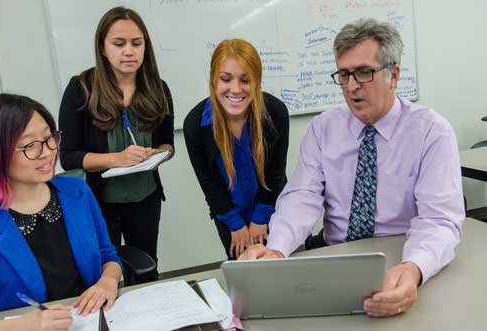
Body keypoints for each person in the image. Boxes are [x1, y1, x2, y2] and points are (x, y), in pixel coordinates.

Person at [240, 18, 464, 317]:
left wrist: (414, 268)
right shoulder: (324, 128)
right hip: (337, 256)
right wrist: (277, 250)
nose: (352, 86)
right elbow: (302, 197)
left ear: (393, 75)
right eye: (344, 74)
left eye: (364, 72)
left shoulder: (431, 132)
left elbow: (438, 219)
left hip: (403, 256)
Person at [0, 94, 122, 329]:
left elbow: (108, 256)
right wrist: (26, 325)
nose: (48, 152)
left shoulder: (77, 192)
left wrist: (108, 281)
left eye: (49, 138)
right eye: (30, 145)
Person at [59, 7, 174, 281]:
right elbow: (68, 157)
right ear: (102, 47)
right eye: (119, 44)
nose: (129, 52)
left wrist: (159, 155)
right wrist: (116, 159)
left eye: (137, 43)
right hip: (101, 202)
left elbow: (168, 144)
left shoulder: (159, 88)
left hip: (145, 199)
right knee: (104, 273)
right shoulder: (81, 88)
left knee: (146, 267)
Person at [184, 39, 289, 259]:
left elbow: (276, 173)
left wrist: (261, 218)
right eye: (225, 79)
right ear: (213, 80)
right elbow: (209, 184)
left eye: (245, 80)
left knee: (284, 269)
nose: (235, 89)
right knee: (246, 276)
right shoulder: (195, 124)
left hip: (273, 205)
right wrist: (235, 225)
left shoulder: (276, 113)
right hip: (230, 217)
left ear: (257, 82)